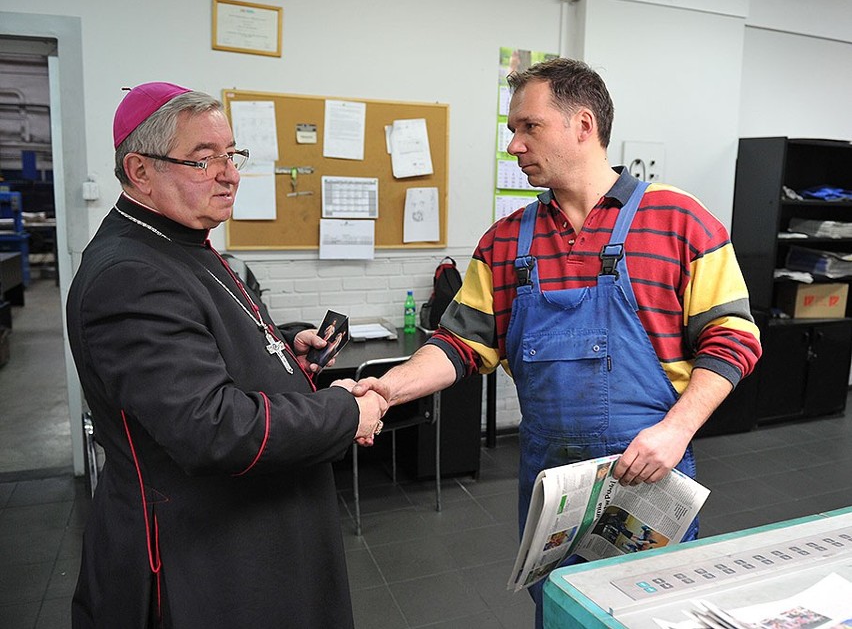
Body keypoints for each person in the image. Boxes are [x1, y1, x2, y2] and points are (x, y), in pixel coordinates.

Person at [353, 58, 761, 626]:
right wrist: (386, 390)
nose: (514, 145)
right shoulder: (503, 241)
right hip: (551, 479)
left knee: (649, 612)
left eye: (529, 127)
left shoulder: (681, 221)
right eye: (512, 130)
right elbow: (459, 344)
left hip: (649, 464)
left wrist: (677, 429)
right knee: (562, 609)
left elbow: (733, 338)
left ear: (583, 125)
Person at [65, 82, 387, 629]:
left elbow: (202, 345)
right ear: (139, 171)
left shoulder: (177, 239)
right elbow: (211, 426)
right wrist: (345, 411)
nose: (230, 173)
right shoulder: (130, 274)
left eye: (231, 154)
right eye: (202, 159)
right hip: (203, 555)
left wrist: (283, 350)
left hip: (252, 527)